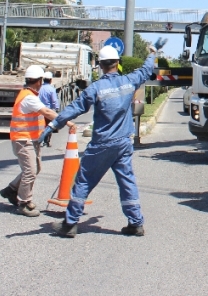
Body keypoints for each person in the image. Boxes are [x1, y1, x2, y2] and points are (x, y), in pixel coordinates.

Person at [40, 45, 155, 238]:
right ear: (117, 63)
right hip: (123, 143)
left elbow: (74, 108)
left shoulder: (96, 88)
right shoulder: (129, 82)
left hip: (101, 144)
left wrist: (52, 126)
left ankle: (69, 225)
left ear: (100, 65)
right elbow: (145, 70)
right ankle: (136, 223)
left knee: (83, 181)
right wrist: (152, 54)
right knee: (127, 182)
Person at [0, 65, 74, 217]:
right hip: (23, 139)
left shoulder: (29, 94)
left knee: (36, 169)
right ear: (39, 81)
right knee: (30, 171)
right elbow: (46, 111)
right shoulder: (29, 97)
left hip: (31, 139)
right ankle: (24, 202)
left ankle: (12, 190)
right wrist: (67, 122)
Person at [39, 71, 60, 147]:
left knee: (41, 126)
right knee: (50, 126)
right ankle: (47, 141)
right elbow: (54, 101)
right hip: (48, 110)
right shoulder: (51, 89)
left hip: (40, 110)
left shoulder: (39, 88)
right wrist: (56, 108)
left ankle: (40, 140)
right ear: (51, 80)